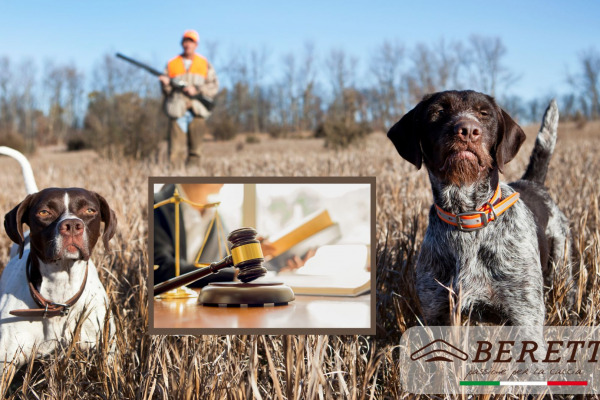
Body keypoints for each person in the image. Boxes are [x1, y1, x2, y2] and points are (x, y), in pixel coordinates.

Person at [154, 184, 313, 288]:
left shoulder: (216, 217)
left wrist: (282, 261)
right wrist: (234, 275)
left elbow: (231, 261)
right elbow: (161, 269)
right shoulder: (156, 204)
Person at [159, 30, 218, 166]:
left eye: (191, 42)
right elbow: (166, 92)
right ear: (182, 43)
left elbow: (214, 86)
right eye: (185, 41)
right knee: (175, 153)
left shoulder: (204, 63)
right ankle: (175, 181)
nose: (188, 44)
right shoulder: (172, 63)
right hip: (177, 110)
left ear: (196, 45)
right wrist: (165, 84)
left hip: (197, 110)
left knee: (196, 151)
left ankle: (193, 180)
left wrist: (196, 90)